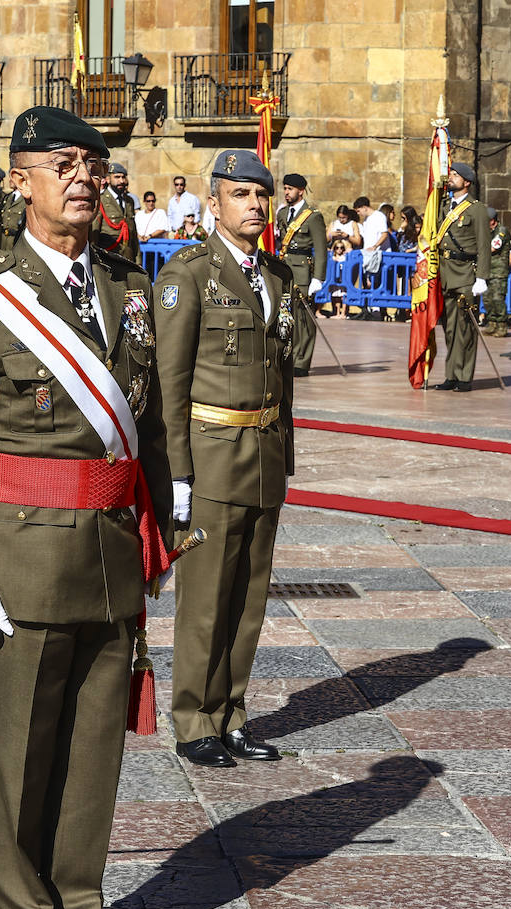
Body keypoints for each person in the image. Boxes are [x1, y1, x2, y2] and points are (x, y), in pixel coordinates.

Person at [0, 105, 171, 909]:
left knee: (92, 759)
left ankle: (78, 901)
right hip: (21, 567)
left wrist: (163, 532)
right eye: (62, 165)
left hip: (109, 562)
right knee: (21, 757)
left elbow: (149, 424)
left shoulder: (130, 288)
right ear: (20, 181)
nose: (82, 180)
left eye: (92, 166)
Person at [153, 148, 295, 769]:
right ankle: (193, 720)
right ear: (214, 203)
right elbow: (170, 382)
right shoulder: (187, 273)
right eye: (241, 195)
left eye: (262, 196)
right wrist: (176, 473)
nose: (256, 206)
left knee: (248, 596)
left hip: (263, 452)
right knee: (206, 598)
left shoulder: (277, 275)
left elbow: (287, 367)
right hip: (211, 457)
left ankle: (232, 713)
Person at [433, 162, 490, 392]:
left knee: (465, 328)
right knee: (449, 328)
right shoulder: (444, 206)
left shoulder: (476, 209)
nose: (451, 178)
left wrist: (482, 277)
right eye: (451, 174)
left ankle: (465, 376)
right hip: (446, 274)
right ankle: (451, 375)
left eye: (456, 175)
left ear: (466, 182)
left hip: (467, 274)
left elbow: (484, 245)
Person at [277, 172, 327, 375]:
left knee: (303, 319)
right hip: (285, 270)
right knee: (286, 315)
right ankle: (289, 356)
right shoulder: (282, 214)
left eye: (290, 189)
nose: (286, 193)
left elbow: (322, 250)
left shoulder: (313, 216)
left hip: (304, 273)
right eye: (285, 189)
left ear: (301, 191)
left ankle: (302, 362)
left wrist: (318, 278)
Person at [94, 162, 139, 261]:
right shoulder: (101, 200)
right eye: (117, 177)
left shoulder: (129, 201)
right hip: (108, 255)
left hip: (128, 256)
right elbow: (95, 232)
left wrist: (138, 259)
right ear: (108, 179)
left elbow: (133, 233)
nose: (121, 181)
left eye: (123, 177)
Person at [486, 205, 511, 330]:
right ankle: (492, 324)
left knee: (498, 298)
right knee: (487, 299)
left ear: (492, 220)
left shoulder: (501, 231)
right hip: (488, 269)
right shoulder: (487, 232)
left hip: (498, 271)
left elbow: (493, 248)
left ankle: (501, 325)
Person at [0, 169, 25, 251]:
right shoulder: (8, 198)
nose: (10, 180)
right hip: (3, 241)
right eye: (10, 177)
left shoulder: (26, 199)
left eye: (13, 178)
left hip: (16, 241)